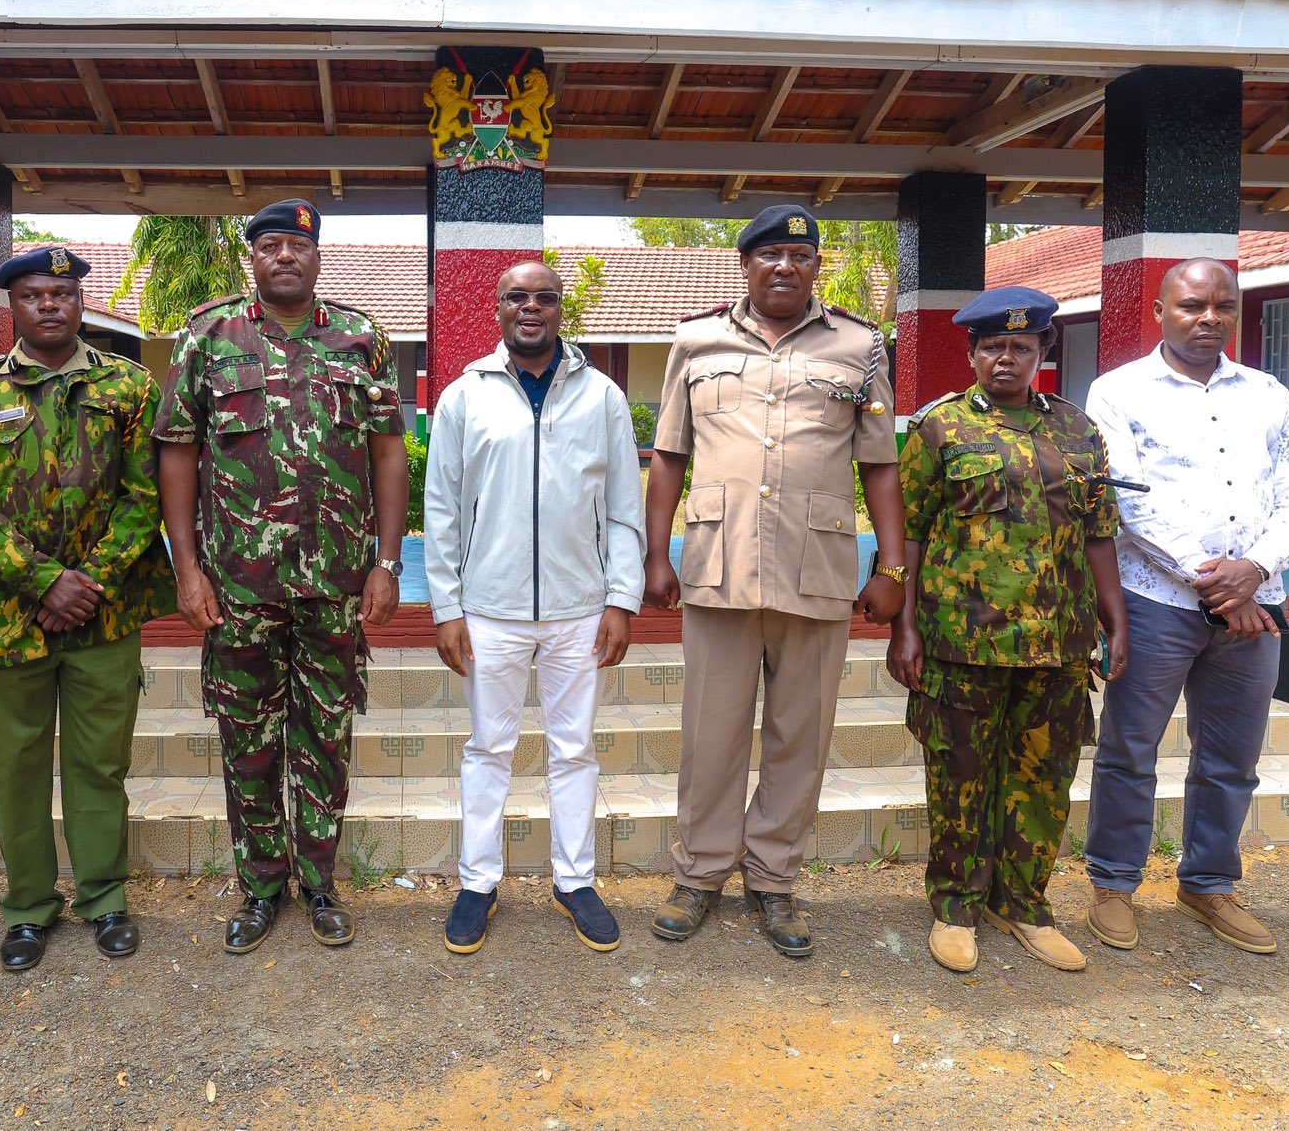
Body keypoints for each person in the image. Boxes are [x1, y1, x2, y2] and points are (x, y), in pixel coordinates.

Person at [643, 204, 908, 960]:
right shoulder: (696, 340)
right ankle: (698, 875)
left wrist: (890, 567)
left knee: (801, 736)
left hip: (815, 569)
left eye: (799, 256)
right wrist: (657, 555)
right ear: (745, 265)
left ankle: (774, 878)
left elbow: (879, 462)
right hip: (719, 566)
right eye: (768, 256)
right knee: (711, 734)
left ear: (816, 266)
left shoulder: (859, 345)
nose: (784, 268)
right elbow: (668, 453)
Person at [154, 198, 408, 954]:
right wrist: (187, 568)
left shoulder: (361, 337)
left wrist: (387, 563)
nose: (284, 257)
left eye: (298, 245)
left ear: (318, 257)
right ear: (252, 260)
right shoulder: (208, 336)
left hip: (334, 582)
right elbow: (177, 450)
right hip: (239, 587)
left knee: (325, 739)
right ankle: (262, 886)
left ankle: (321, 882)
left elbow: (389, 450)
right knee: (249, 740)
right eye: (270, 246)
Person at [0, 245, 175, 973]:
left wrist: (86, 582)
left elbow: (145, 496)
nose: (48, 306)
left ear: (80, 304)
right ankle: (29, 909)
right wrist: (42, 582)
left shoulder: (129, 387)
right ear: (13, 304)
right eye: (33, 294)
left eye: (62, 295)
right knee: (16, 770)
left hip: (103, 617)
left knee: (100, 765)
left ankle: (104, 899)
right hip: (6, 619)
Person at [1083, 258, 1289, 956]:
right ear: (1160, 310)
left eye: (1223, 305)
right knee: (1129, 749)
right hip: (1157, 601)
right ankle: (1114, 883)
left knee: (1232, 757)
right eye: (1192, 305)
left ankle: (1209, 882)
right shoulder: (1118, 392)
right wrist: (1214, 582)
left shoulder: (1268, 394)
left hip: (1257, 600)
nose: (1208, 318)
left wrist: (1256, 567)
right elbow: (1126, 498)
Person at [889, 286, 1129, 974]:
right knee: (959, 775)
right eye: (992, 346)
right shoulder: (940, 430)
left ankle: (1022, 904)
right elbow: (907, 534)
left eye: (1020, 347)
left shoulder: (1079, 432)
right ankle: (956, 906)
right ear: (971, 353)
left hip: (1057, 644)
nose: (1005, 358)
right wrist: (903, 631)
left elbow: (1099, 532)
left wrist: (1118, 621)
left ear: (1042, 353)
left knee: (1044, 780)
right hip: (962, 643)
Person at [423, 260, 645, 954]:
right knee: (488, 748)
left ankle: (574, 880)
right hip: (489, 609)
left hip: (580, 609)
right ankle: (477, 882)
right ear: (497, 309)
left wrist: (622, 598)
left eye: (545, 298)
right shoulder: (466, 397)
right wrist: (446, 607)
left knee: (573, 749)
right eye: (516, 297)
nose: (531, 308)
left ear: (560, 310)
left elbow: (623, 509)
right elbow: (443, 509)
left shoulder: (602, 396)